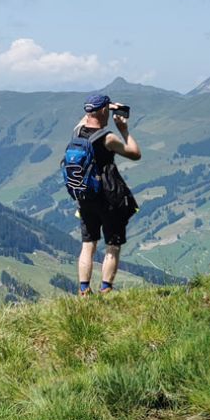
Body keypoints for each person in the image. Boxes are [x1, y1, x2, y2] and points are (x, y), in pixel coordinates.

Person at [73, 93, 141, 295]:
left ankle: (84, 291)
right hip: (109, 198)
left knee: (88, 244)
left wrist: (101, 107)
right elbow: (135, 153)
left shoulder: (76, 133)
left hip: (85, 197)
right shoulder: (108, 138)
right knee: (113, 244)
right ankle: (106, 289)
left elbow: (86, 118)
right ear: (104, 110)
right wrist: (124, 129)